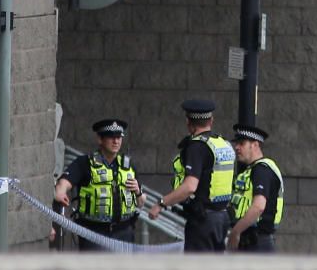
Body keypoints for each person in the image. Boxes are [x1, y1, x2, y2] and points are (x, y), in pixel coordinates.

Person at [148, 99, 235, 251]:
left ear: (188, 122)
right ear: (211, 120)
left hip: (203, 220)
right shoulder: (223, 143)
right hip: (222, 217)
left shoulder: (197, 146)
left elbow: (189, 187)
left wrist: (161, 203)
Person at [54, 118, 144, 250]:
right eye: (111, 137)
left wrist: (138, 192)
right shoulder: (85, 163)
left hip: (124, 232)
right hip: (94, 233)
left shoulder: (128, 165)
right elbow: (64, 183)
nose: (116, 141)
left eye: (119, 137)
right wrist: (60, 192)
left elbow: (141, 202)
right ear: (100, 139)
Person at [227, 124, 284, 252]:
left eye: (242, 143)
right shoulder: (254, 169)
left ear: (255, 145)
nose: (237, 147)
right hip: (252, 240)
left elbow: (259, 206)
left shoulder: (261, 170)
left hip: (256, 242)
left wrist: (236, 232)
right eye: (236, 143)